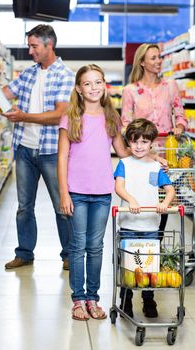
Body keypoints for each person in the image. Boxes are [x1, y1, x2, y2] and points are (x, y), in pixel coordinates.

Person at [57, 64, 131, 321]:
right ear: (78, 88)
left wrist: (151, 156)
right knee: (77, 246)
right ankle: (78, 299)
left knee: (96, 246)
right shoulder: (70, 116)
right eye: (87, 83)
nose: (94, 88)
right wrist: (63, 193)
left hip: (102, 192)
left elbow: (122, 152)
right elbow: (63, 157)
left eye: (98, 82)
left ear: (104, 85)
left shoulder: (111, 117)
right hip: (76, 191)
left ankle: (92, 298)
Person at [2, 24, 75, 270]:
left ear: (49, 45)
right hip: (24, 148)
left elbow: (59, 115)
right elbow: (5, 93)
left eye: (34, 46)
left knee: (61, 205)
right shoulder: (28, 73)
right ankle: (24, 253)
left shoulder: (64, 75)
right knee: (24, 207)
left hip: (52, 151)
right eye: (29, 46)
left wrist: (24, 116)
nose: (30, 51)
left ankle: (68, 254)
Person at [121, 43, 187, 233]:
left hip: (168, 152)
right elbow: (125, 124)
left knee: (164, 198)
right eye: (153, 58)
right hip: (142, 154)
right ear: (142, 62)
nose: (159, 61)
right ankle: (142, 240)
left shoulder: (170, 86)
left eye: (159, 57)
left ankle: (156, 241)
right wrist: (138, 140)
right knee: (145, 196)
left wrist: (180, 127)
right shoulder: (130, 90)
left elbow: (180, 115)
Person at [114, 118, 175, 318]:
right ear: (128, 143)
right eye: (134, 142)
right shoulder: (124, 164)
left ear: (152, 144)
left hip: (150, 225)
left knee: (149, 264)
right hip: (129, 225)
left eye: (144, 142)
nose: (139, 146)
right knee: (129, 264)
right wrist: (130, 199)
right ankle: (126, 298)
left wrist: (165, 203)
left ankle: (148, 299)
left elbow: (170, 190)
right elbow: (119, 187)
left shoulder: (156, 167)